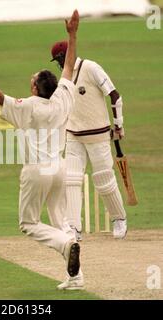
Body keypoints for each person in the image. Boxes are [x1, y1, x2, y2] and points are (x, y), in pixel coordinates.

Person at [0, 10, 84, 290]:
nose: (29, 81)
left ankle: (67, 244)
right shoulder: (62, 98)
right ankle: (76, 277)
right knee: (60, 219)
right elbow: (68, 67)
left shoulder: (29, 106)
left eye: (31, 80)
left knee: (29, 223)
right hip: (59, 168)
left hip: (37, 171)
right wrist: (72, 35)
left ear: (35, 89)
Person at [50, 40, 127, 241]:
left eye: (61, 58)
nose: (60, 62)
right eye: (58, 60)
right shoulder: (64, 78)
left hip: (98, 135)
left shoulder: (91, 68)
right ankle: (74, 227)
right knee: (71, 179)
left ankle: (119, 218)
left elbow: (115, 96)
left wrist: (119, 125)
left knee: (104, 180)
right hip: (74, 136)